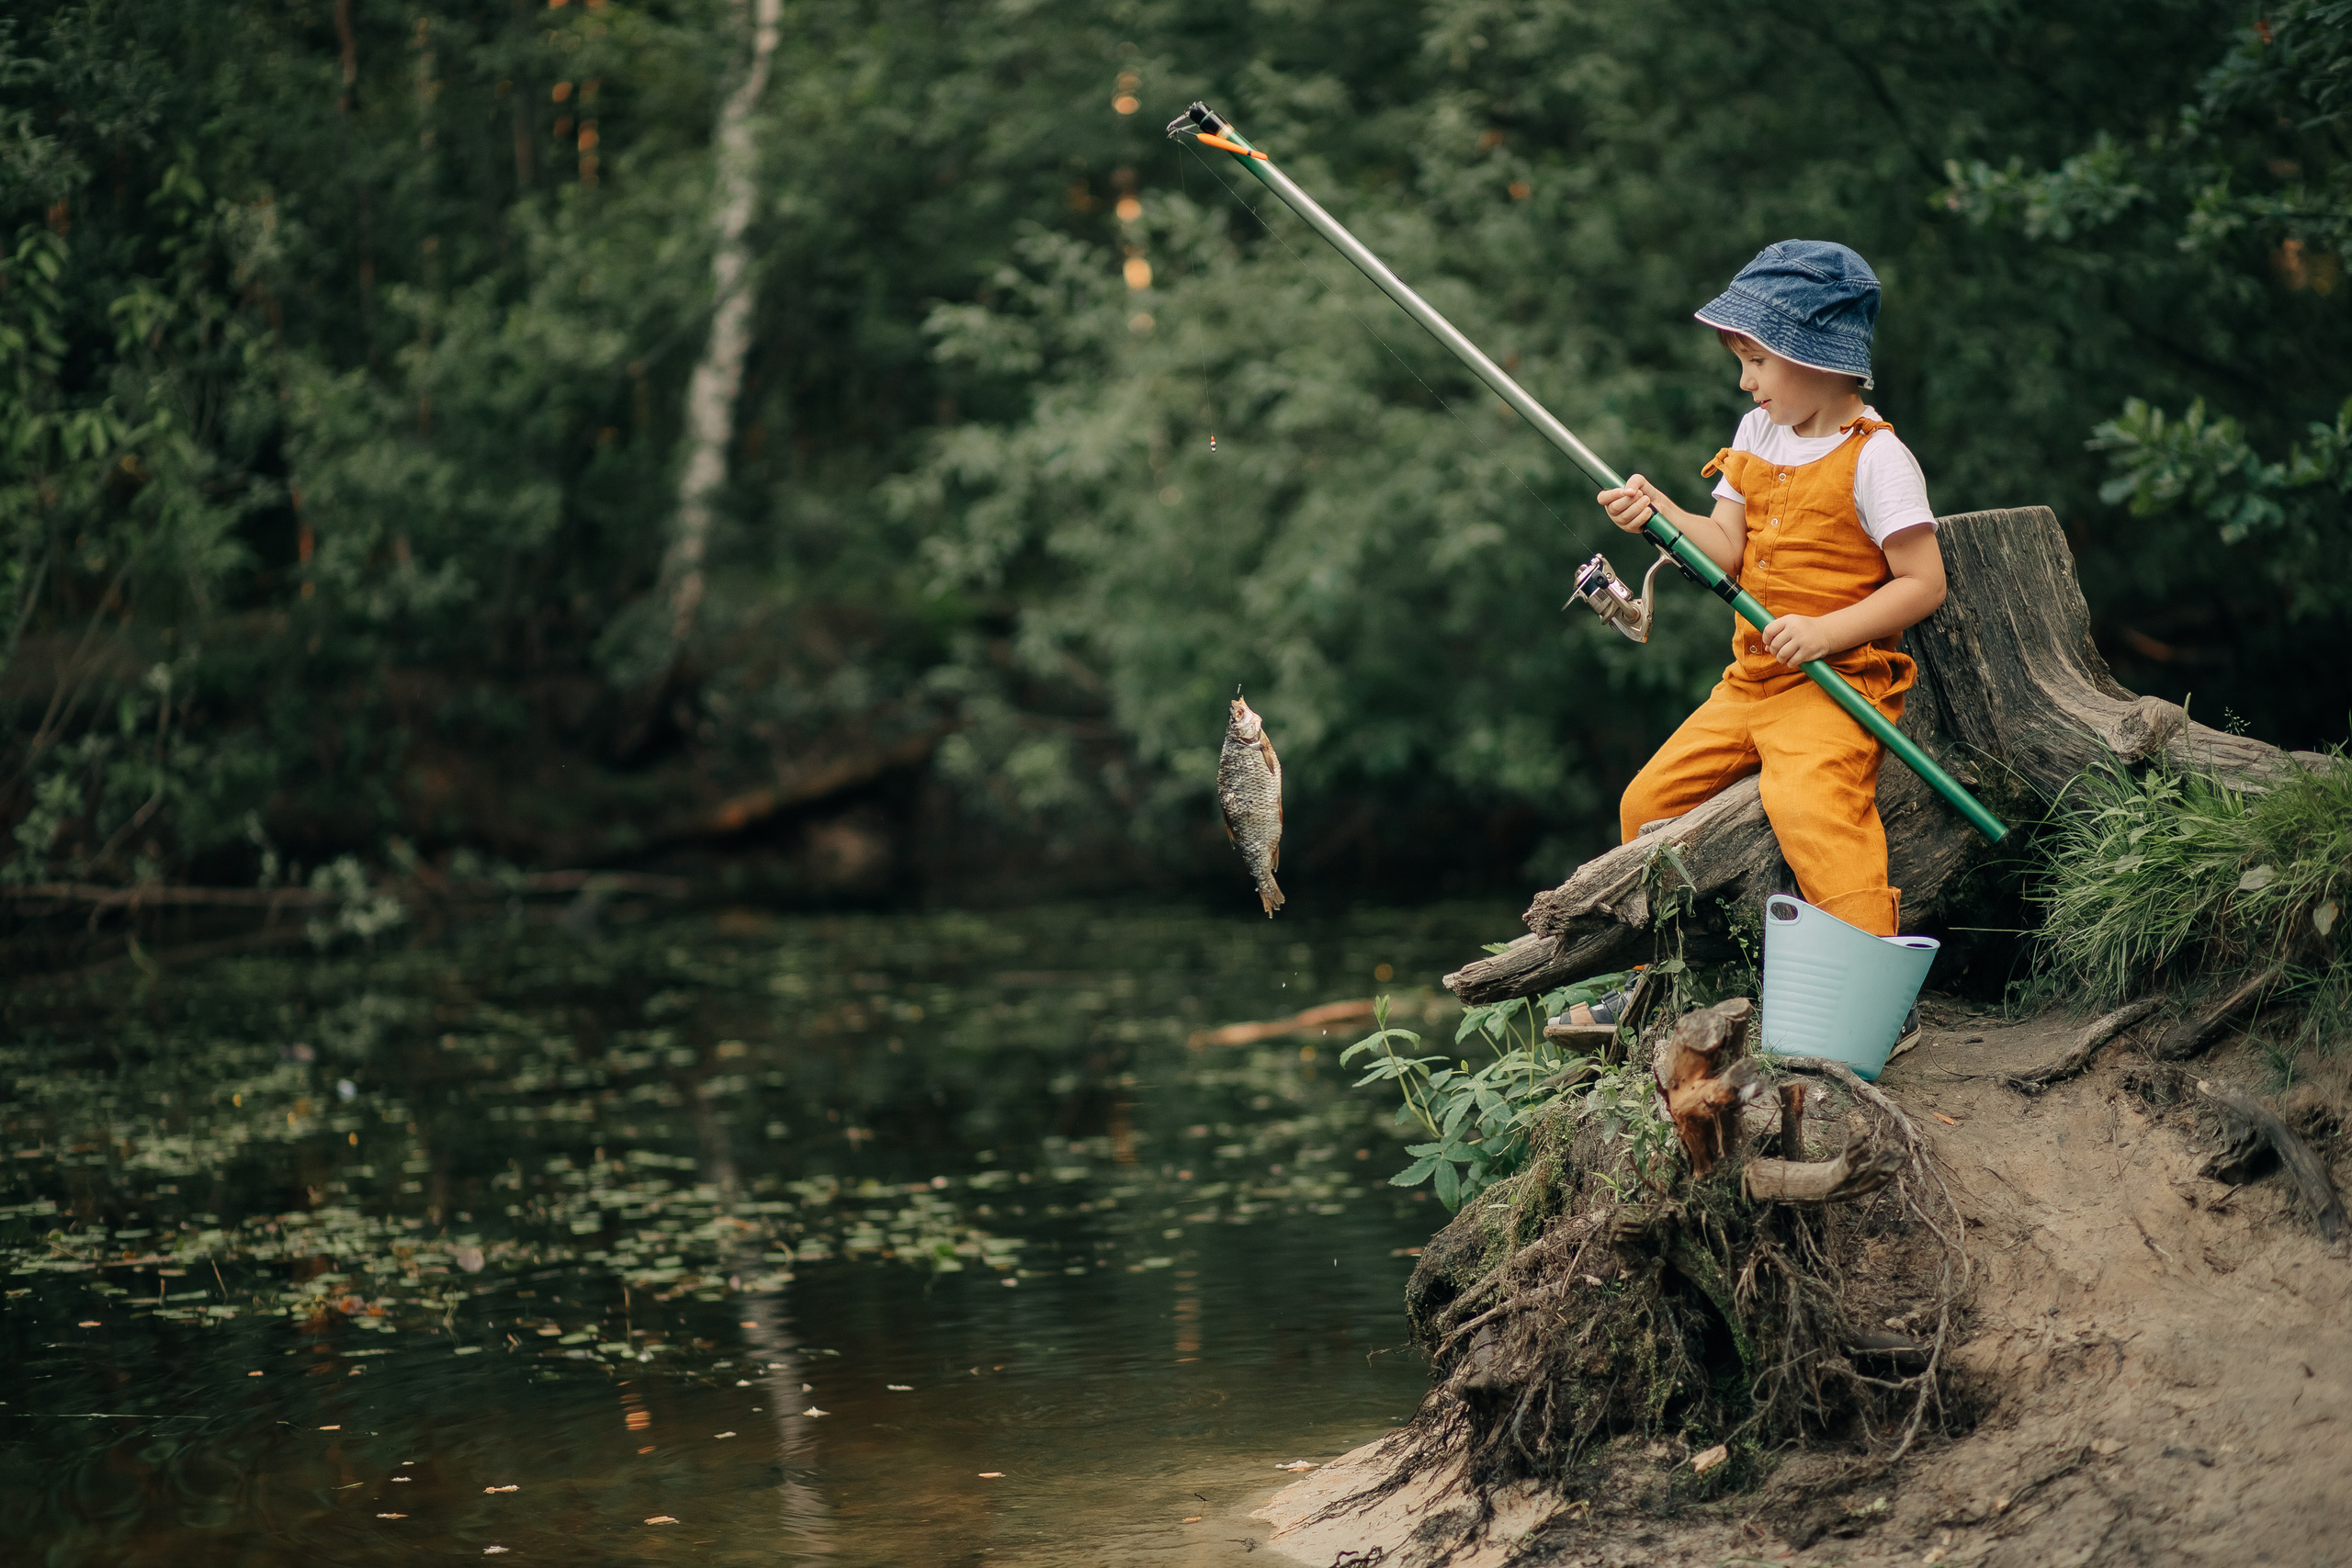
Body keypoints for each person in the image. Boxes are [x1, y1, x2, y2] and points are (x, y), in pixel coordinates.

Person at [1600, 239, 1945, 946]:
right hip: (1750, 683)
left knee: (1811, 806)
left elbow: (1923, 582)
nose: (1745, 383)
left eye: (1756, 362)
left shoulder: (1877, 455)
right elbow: (1724, 547)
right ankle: (1655, 979)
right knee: (1646, 804)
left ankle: (1872, 986)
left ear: (1817, 356)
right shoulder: (1759, 432)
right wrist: (1658, 513)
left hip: (1836, 682)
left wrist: (1825, 633)